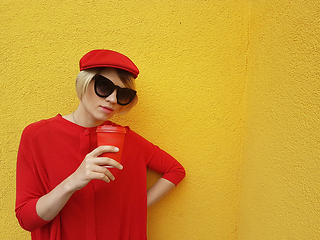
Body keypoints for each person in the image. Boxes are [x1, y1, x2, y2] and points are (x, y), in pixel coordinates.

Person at [15, 49, 186, 240]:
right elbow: (26, 219)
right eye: (104, 87)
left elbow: (175, 170)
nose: (112, 99)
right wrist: (72, 182)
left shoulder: (127, 140)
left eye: (123, 94)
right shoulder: (37, 136)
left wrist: (136, 208)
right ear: (84, 83)